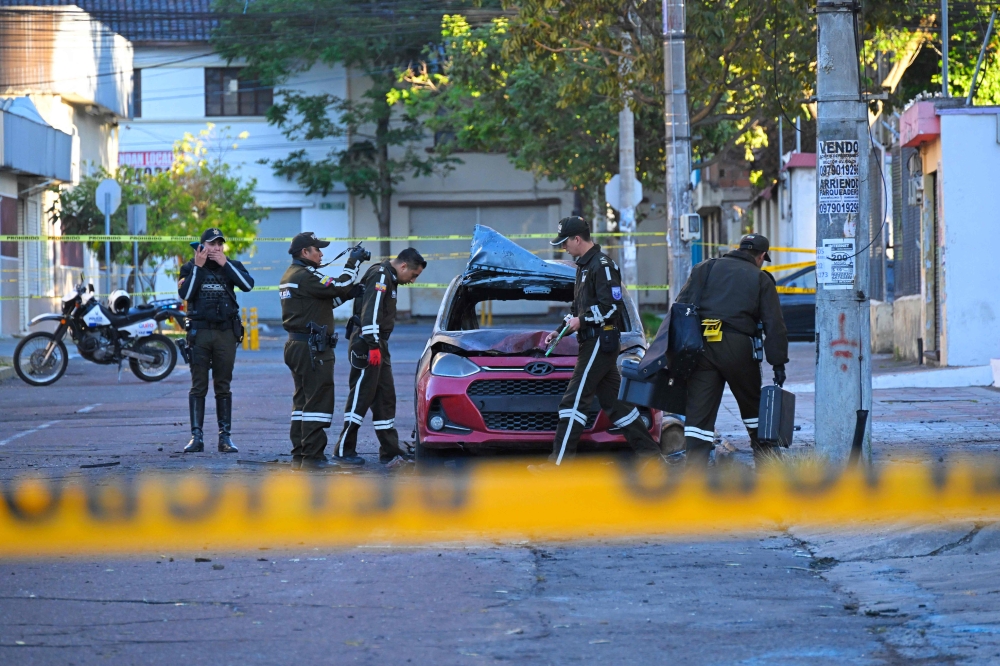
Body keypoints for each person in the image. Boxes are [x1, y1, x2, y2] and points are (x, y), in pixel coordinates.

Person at [543, 216, 660, 466]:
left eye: (565, 242)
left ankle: (558, 466)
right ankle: (653, 458)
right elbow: (578, 309)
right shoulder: (584, 267)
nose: (563, 247)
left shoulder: (603, 266)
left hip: (600, 341)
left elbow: (612, 309)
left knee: (572, 402)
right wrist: (560, 330)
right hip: (592, 341)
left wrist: (582, 322)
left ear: (577, 239)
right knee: (617, 407)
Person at [674, 233, 789, 468]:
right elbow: (774, 324)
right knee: (752, 406)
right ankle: (767, 462)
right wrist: (778, 362)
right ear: (761, 256)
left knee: (700, 411)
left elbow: (681, 305)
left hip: (702, 345)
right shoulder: (761, 279)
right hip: (738, 346)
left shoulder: (705, 268)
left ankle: (694, 469)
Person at [279, 232, 368, 471]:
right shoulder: (305, 275)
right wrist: (354, 262)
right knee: (318, 398)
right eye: (317, 249)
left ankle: (301, 453)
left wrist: (350, 293)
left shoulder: (292, 276)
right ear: (304, 252)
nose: (321, 253)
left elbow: (323, 302)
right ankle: (313, 456)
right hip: (312, 347)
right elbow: (338, 284)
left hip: (297, 345)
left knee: (303, 400)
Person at [333, 248, 426, 467]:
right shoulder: (381, 276)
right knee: (361, 396)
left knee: (385, 397)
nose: (412, 281)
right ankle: (344, 449)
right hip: (367, 343)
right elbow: (370, 313)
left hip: (377, 344)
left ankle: (390, 451)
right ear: (403, 266)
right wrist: (373, 345)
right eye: (413, 275)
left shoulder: (390, 278)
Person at [177, 227, 255, 454]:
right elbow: (186, 294)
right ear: (202, 246)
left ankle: (225, 438)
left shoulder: (232, 266)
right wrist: (199, 267)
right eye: (211, 244)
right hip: (199, 333)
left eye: (219, 244)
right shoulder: (189, 268)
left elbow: (248, 285)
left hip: (225, 334)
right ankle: (196, 437)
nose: (216, 248)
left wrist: (225, 264)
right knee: (198, 386)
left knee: (223, 385)